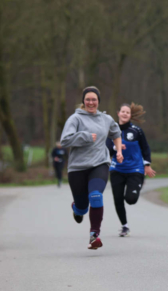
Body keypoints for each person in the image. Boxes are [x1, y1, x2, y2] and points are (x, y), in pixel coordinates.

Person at [60, 86, 123, 250]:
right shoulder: (75, 119)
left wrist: (119, 151)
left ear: (98, 101)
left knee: (96, 196)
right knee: (82, 208)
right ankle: (77, 208)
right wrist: (85, 137)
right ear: (83, 101)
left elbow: (116, 133)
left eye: (94, 99)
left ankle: (94, 235)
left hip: (100, 163)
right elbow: (65, 140)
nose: (91, 102)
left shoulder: (106, 119)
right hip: (77, 167)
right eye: (87, 99)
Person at [106, 102, 156, 237]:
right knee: (117, 198)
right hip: (117, 169)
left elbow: (145, 148)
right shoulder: (111, 130)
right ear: (118, 113)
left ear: (130, 115)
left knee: (131, 199)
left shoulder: (137, 131)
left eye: (127, 112)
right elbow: (107, 149)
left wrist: (147, 164)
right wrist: (116, 148)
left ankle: (137, 185)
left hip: (135, 169)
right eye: (123, 111)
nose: (125, 114)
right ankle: (124, 226)